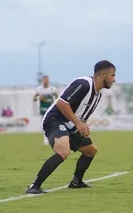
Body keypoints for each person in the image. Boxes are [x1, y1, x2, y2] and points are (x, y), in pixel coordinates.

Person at [26, 60, 116, 194]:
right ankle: (34, 186)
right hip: (54, 119)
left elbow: (81, 116)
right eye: (112, 75)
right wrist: (78, 123)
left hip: (70, 123)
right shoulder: (84, 83)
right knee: (63, 151)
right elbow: (62, 104)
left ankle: (76, 181)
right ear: (103, 75)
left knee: (90, 151)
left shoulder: (98, 95)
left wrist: (83, 126)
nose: (114, 79)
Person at [34, 75, 59, 145]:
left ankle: (53, 138)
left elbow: (57, 98)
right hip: (43, 109)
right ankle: (46, 140)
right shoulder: (39, 89)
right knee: (44, 124)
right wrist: (39, 97)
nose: (46, 81)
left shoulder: (52, 89)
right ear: (42, 81)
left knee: (52, 124)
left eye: (47, 80)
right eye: (44, 80)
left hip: (51, 109)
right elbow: (34, 99)